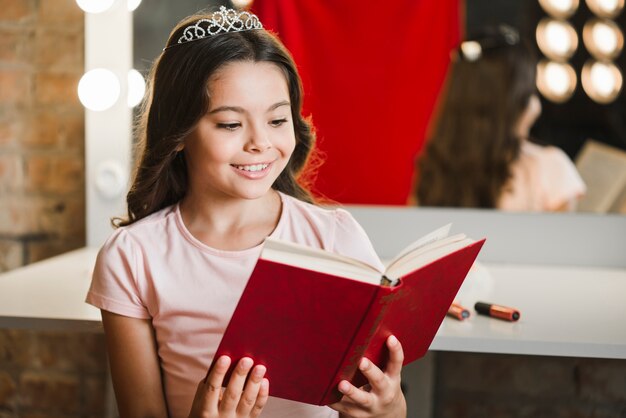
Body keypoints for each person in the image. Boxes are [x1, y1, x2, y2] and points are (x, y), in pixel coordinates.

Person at [86, 7, 407, 418]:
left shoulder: (335, 237)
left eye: (277, 119)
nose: (260, 142)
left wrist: (391, 408)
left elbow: (381, 401)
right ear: (179, 132)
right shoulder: (132, 256)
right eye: (230, 125)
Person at [414, 25, 585, 211]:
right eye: (527, 95)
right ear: (505, 106)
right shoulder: (549, 169)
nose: (536, 108)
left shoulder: (434, 171)